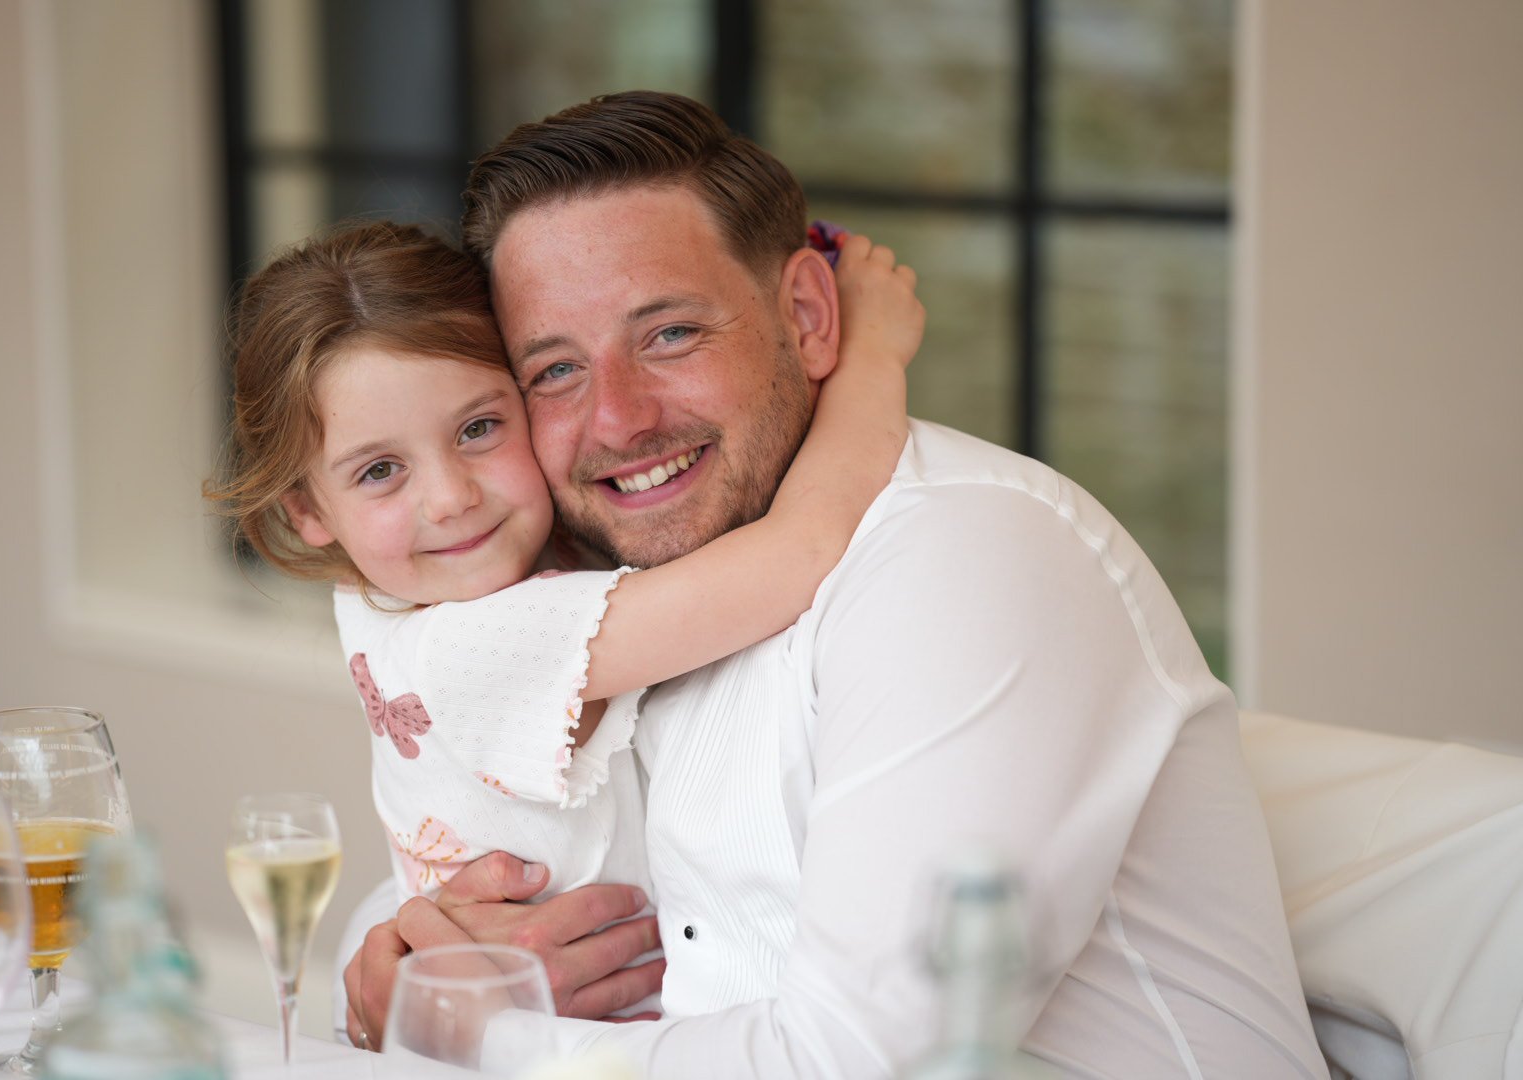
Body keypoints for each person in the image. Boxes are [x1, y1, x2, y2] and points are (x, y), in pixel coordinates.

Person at [342, 92, 1328, 1078]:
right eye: (554, 372)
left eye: (669, 334)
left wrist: (480, 1028)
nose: (619, 421)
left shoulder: (958, 557)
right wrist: (399, 958)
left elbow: (857, 1061)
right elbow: (454, 844)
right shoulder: (610, 582)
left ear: (809, 316)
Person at [205, 219, 922, 994]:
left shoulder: (383, 587)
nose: (450, 498)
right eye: (380, 471)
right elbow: (800, 554)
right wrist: (872, 356)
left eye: (479, 428)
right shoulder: (479, 641)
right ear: (307, 511)